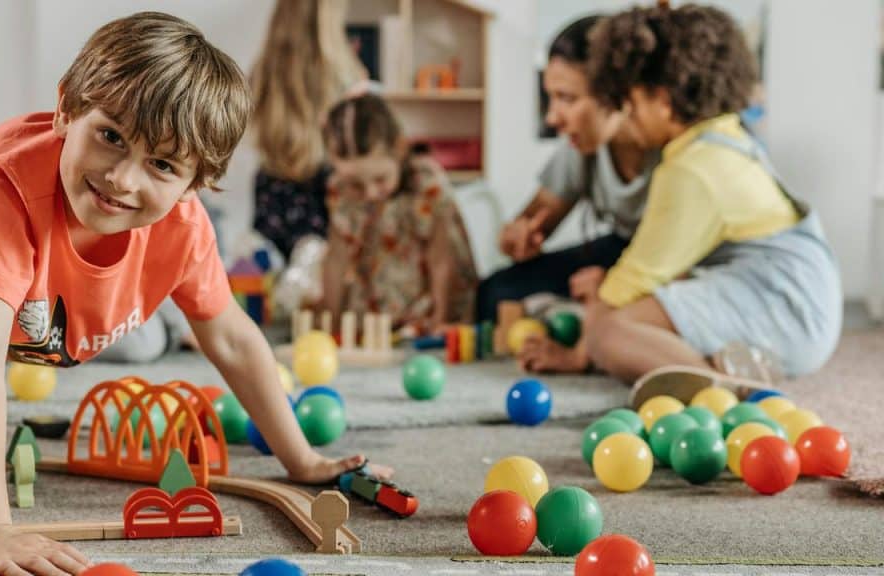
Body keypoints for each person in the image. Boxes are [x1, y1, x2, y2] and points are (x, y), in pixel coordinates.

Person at [0, 13, 389, 575]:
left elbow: (231, 337)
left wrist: (301, 459)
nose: (123, 179)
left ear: (196, 184)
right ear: (66, 109)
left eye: (161, 165)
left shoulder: (182, 229)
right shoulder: (3, 194)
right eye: (110, 137)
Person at [572, 4, 841, 386]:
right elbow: (672, 264)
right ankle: (731, 362)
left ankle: (723, 388)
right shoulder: (727, 138)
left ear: (664, 100)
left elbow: (634, 280)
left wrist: (581, 350)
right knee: (630, 313)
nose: (627, 120)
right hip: (800, 299)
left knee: (608, 333)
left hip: (782, 307)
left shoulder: (690, 168)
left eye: (630, 105)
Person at [476, 16, 661, 369]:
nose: (552, 118)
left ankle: (592, 333)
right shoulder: (581, 148)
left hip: (671, 264)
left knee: (624, 310)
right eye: (551, 98)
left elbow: (678, 263)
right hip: (619, 248)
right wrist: (518, 236)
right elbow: (538, 216)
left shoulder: (674, 154)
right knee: (495, 292)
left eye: (567, 98)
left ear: (616, 94)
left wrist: (614, 289)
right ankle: (583, 318)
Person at [319, 94, 477, 334]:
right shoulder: (339, 190)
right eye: (355, 184)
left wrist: (441, 317)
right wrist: (332, 322)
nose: (370, 193)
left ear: (400, 149)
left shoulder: (425, 182)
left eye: (380, 179)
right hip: (374, 309)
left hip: (424, 305)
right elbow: (336, 260)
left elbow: (442, 259)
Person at [250, 0, 368, 260]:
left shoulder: (264, 70)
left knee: (273, 283)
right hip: (325, 191)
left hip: (273, 190)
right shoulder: (347, 76)